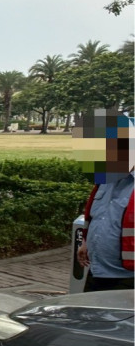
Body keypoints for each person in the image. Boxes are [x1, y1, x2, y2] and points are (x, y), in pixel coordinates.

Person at [75, 110, 133, 291]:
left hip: (128, 278)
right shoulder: (105, 181)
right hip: (98, 271)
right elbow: (97, 215)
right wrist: (86, 242)